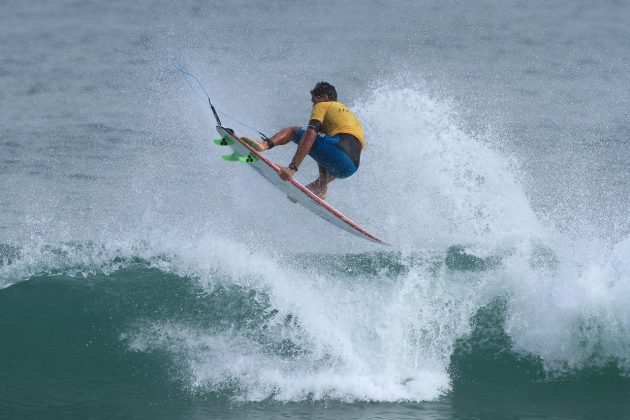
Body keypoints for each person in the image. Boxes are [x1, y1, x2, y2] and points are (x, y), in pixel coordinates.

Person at [242, 82, 364, 200]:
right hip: (350, 167)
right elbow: (328, 153)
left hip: (338, 150)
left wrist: (292, 168)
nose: (313, 105)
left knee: (294, 131)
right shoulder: (349, 116)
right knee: (322, 147)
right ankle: (320, 187)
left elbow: (310, 134)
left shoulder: (324, 105)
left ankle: (263, 145)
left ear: (325, 97)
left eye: (314, 101)